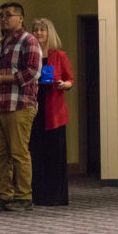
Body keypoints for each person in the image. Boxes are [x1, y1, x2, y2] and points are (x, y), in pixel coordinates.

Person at [0, 2, 41, 212]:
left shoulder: (28, 41)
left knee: (19, 153)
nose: (4, 18)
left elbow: (32, 72)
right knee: (0, 153)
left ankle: (24, 197)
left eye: (8, 15)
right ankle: (5, 195)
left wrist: (2, 80)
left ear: (21, 18)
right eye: (1, 16)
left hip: (19, 105)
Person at [30, 18, 74, 206]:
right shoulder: (31, 56)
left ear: (50, 33)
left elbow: (70, 79)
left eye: (42, 30)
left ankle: (56, 196)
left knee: (55, 154)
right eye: (36, 30)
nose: (39, 33)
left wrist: (65, 85)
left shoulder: (59, 55)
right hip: (34, 109)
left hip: (55, 111)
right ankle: (38, 195)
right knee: (36, 153)